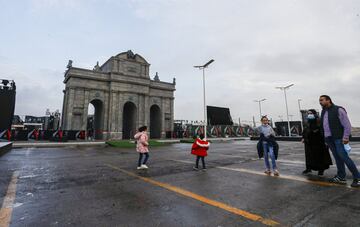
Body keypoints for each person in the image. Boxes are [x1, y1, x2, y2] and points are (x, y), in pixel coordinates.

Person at [319, 95, 360, 187]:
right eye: (319, 100)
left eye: (322, 100)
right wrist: (325, 138)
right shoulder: (323, 111)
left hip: (339, 138)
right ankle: (341, 177)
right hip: (329, 139)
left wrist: (345, 137)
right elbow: (323, 126)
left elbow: (347, 125)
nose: (320, 102)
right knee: (337, 158)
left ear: (328, 100)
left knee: (344, 157)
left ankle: (358, 177)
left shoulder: (338, 110)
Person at [302, 109, 332, 175]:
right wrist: (303, 137)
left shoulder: (319, 121)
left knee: (319, 156)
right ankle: (308, 169)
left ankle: (321, 170)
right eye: (308, 113)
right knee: (309, 156)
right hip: (309, 142)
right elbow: (305, 130)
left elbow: (322, 130)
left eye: (310, 113)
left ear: (314, 114)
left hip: (318, 142)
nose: (309, 115)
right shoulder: (307, 122)